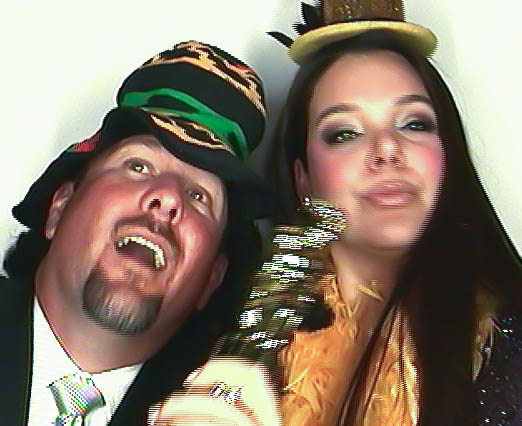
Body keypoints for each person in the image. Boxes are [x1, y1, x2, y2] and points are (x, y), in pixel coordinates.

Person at [263, 1, 522, 425]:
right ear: (302, 179)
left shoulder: (510, 347)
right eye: (345, 133)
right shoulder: (240, 351)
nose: (387, 149)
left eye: (413, 124)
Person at [0, 40, 276, 425]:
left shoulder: (224, 412)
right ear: (59, 208)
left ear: (212, 278)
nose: (168, 198)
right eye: (139, 167)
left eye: (199, 196)